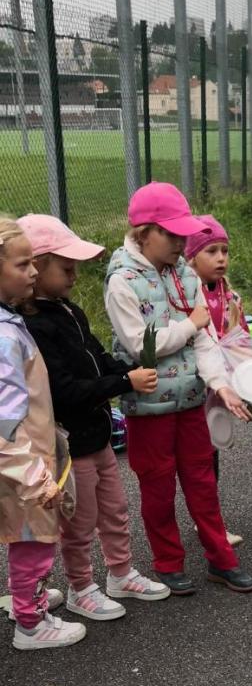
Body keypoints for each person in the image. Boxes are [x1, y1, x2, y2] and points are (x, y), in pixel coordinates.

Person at [104, 182, 252, 596]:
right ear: (143, 232)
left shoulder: (185, 273)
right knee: (157, 488)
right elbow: (142, 345)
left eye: (182, 233)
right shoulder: (122, 281)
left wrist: (220, 385)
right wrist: (191, 324)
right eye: (171, 234)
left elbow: (204, 340)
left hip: (190, 401)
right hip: (148, 408)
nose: (181, 242)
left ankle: (221, 560)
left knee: (202, 482)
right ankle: (168, 562)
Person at [19, 213, 170, 620]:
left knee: (116, 509)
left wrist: (120, 372)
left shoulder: (69, 311)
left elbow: (97, 356)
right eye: (66, 268)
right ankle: (81, 587)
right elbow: (65, 391)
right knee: (79, 522)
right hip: (73, 445)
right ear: (35, 268)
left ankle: (120, 573)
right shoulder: (34, 327)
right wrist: (123, 383)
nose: (73, 277)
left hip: (98, 435)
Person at [0, 217, 86, 650]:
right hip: (23, 463)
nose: (33, 272)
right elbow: (2, 424)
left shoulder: (8, 323)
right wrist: (34, 475)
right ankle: (31, 622)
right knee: (32, 536)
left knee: (28, 533)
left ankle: (24, 596)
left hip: (27, 456)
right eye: (22, 264)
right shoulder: (2, 337)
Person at [185, 214, 247, 547]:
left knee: (212, 455)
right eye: (212, 251)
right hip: (194, 390)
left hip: (219, 392)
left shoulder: (229, 295)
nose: (221, 258)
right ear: (191, 257)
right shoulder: (187, 295)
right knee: (199, 460)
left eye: (224, 250)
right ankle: (207, 522)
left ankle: (208, 520)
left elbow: (240, 338)